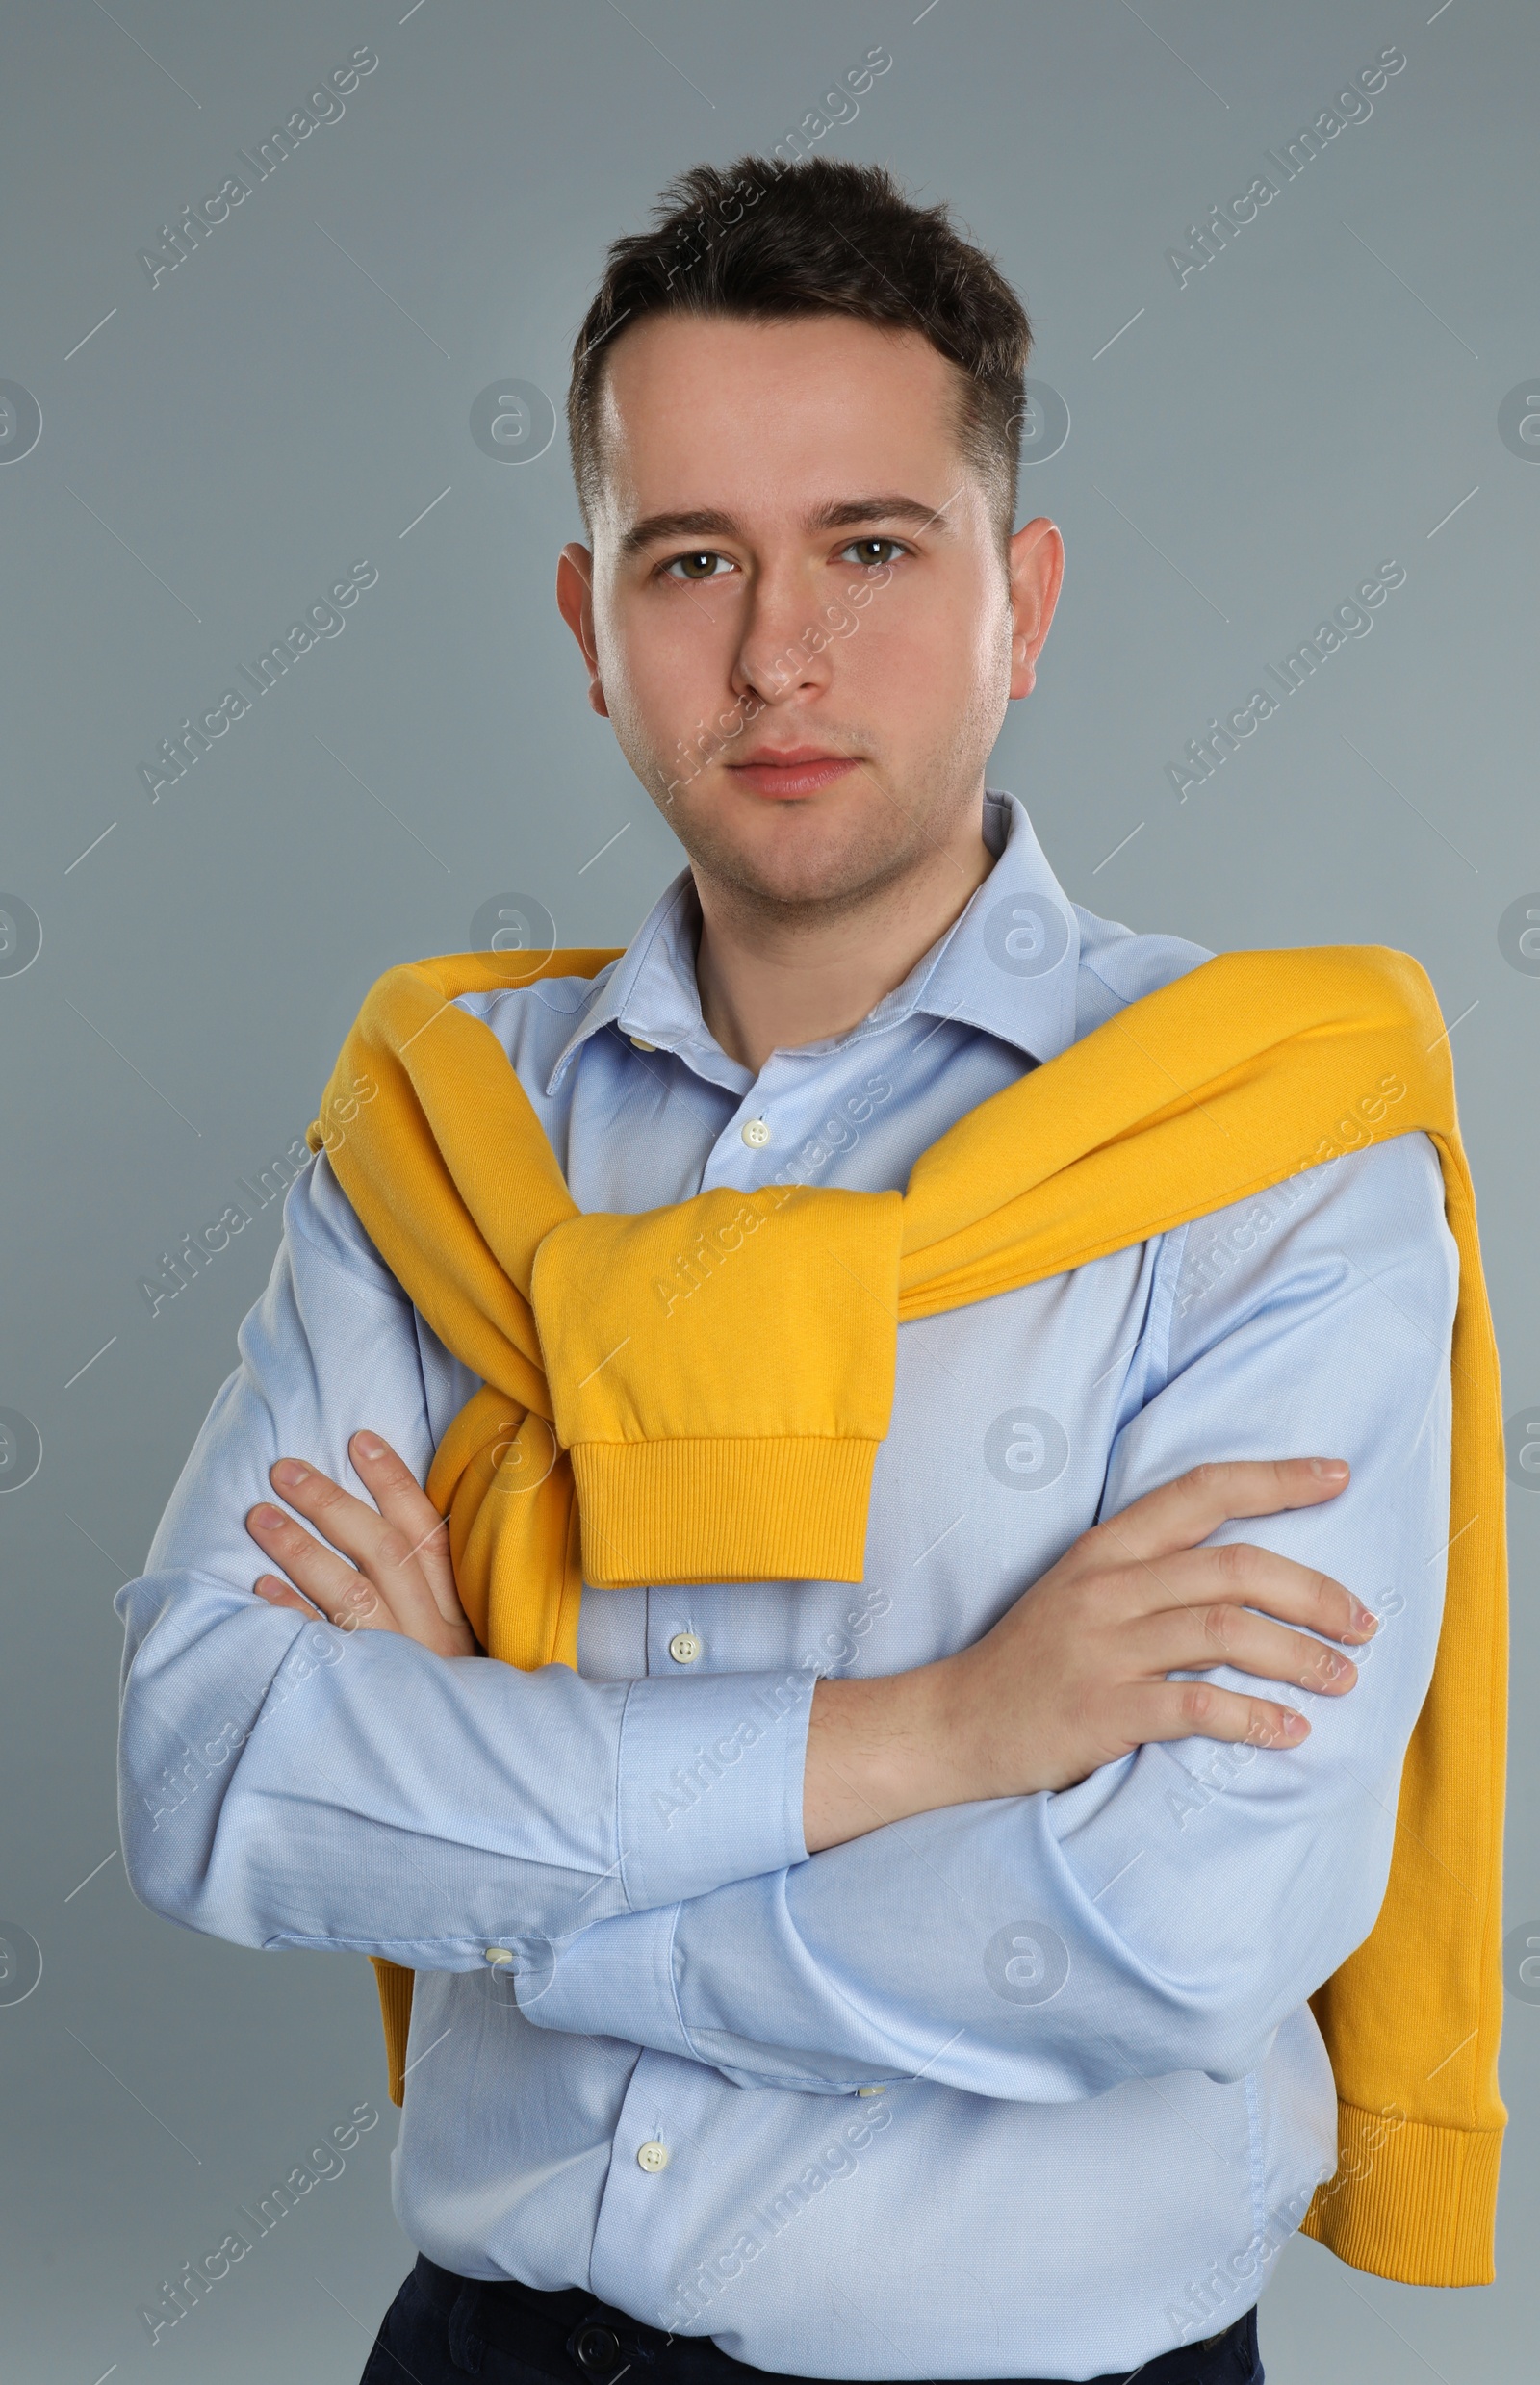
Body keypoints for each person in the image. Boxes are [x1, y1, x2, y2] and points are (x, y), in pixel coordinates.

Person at [116, 158, 1464, 2385]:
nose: (776, 655)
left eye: (867, 548)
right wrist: (940, 1735)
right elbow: (211, 1772)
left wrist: (510, 1852)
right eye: (690, 562)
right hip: (481, 2346)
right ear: (584, 626)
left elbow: (1168, 1927)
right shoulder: (448, 1136)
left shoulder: (1264, 1144)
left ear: (1019, 598)